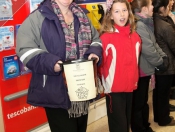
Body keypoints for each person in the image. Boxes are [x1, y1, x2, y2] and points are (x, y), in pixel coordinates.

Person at [15, 0, 102, 132]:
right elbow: (24, 49)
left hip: (82, 88)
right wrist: (51, 63)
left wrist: (94, 53)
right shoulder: (37, 18)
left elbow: (96, 40)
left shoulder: (82, 15)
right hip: (55, 88)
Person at [99, 0, 141, 131]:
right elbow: (101, 65)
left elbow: (135, 62)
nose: (122, 14)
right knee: (119, 125)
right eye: (117, 11)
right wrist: (104, 85)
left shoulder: (135, 37)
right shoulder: (106, 38)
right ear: (110, 15)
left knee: (127, 122)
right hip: (114, 90)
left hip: (130, 86)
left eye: (124, 10)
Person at [130, 0, 168, 131]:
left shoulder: (146, 23)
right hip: (140, 71)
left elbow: (154, 43)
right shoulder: (139, 25)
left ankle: (144, 125)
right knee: (139, 103)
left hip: (146, 69)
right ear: (144, 9)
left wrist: (163, 56)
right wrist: (159, 62)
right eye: (151, 4)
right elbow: (148, 49)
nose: (153, 7)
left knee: (143, 101)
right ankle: (139, 128)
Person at [152, 0, 175, 126]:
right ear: (162, 8)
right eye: (168, 5)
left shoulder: (154, 21)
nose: (170, 5)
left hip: (159, 64)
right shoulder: (164, 25)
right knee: (163, 94)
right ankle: (164, 119)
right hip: (167, 63)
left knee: (158, 93)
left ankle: (159, 117)